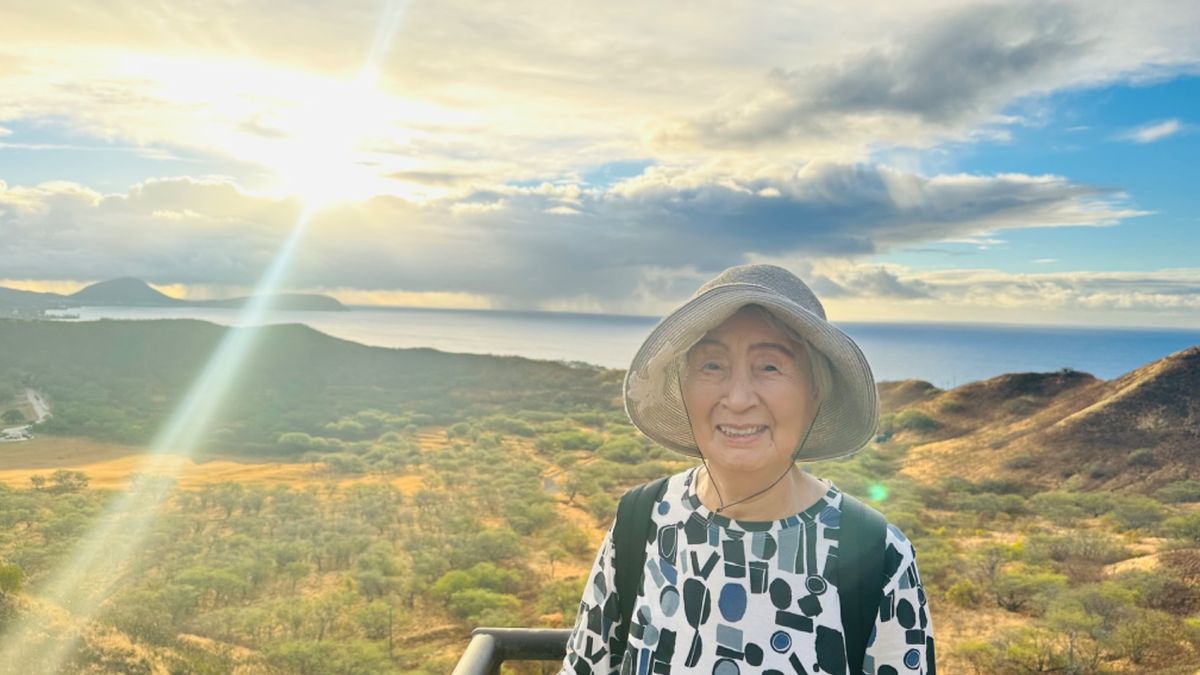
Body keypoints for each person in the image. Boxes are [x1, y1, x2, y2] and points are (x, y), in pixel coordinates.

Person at [559, 263, 935, 674]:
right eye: (712, 366)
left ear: (815, 391)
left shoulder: (876, 553)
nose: (737, 399)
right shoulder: (641, 520)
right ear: (685, 386)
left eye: (769, 366)